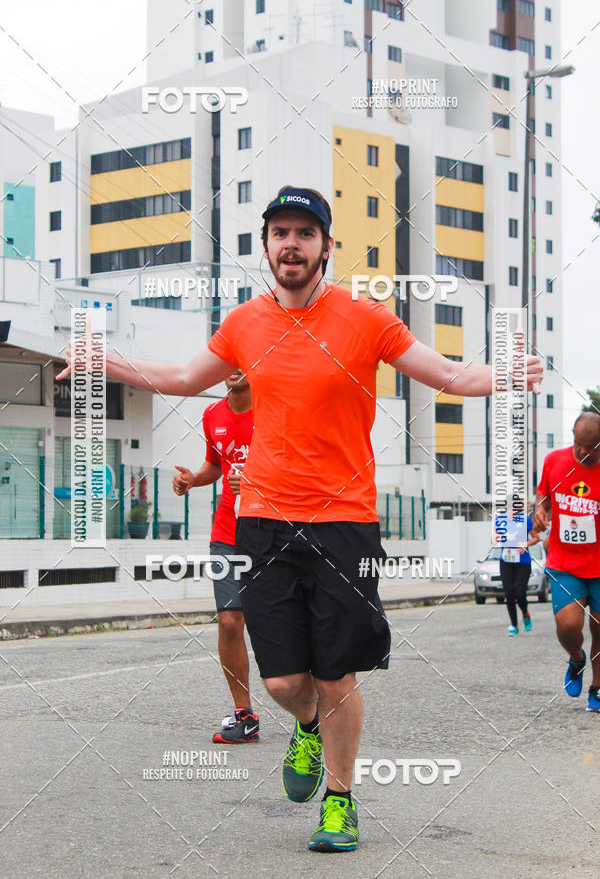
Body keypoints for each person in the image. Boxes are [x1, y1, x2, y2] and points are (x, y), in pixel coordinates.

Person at [57, 185, 543, 852]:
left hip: (345, 520)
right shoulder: (244, 324)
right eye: (280, 232)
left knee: (337, 670)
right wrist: (103, 359)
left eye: (304, 233)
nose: (292, 243)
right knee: (284, 679)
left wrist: (510, 374)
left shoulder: (367, 319)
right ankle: (305, 726)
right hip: (261, 519)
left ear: (326, 247)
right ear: (267, 246)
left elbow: (451, 376)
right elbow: (178, 376)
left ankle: (340, 803)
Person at [172, 370, 257, 743]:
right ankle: (245, 715)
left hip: (272, 532)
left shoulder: (276, 411)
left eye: (242, 360)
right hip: (227, 533)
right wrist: (193, 479)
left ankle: (309, 712)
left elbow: (298, 467)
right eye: (228, 362)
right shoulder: (212, 415)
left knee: (280, 623)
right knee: (228, 621)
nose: (234, 369)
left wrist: (256, 480)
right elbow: (216, 466)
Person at [534, 412, 600, 712]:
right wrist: (540, 511)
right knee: (568, 626)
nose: (583, 451)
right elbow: (543, 495)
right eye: (578, 444)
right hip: (564, 561)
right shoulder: (554, 460)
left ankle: (597, 689)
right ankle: (576, 658)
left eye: (591, 446)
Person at [494, 511, 539, 636]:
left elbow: (536, 538)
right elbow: (494, 537)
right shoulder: (500, 520)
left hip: (522, 562)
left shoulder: (525, 520)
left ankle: (525, 613)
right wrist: (496, 538)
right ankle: (514, 625)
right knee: (509, 593)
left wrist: (525, 543)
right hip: (506, 561)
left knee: (520, 593)